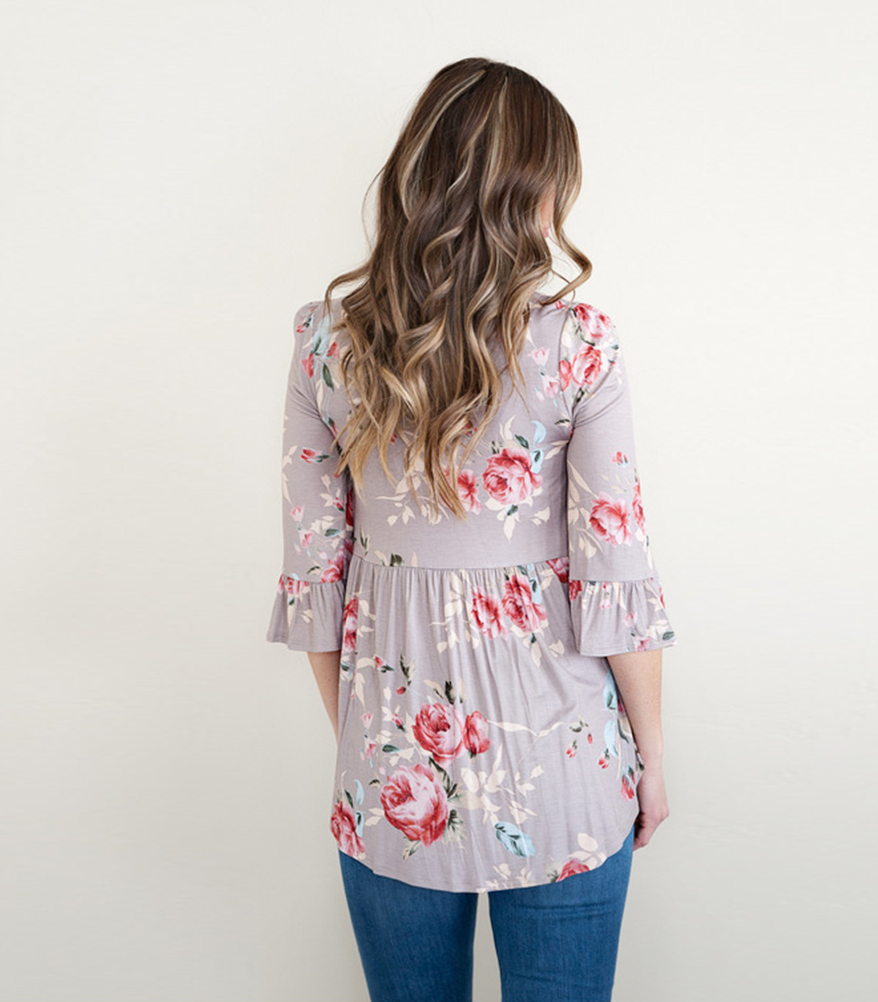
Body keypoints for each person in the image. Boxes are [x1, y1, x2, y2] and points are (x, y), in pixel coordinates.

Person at [265, 56, 678, 1002]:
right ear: (536, 192)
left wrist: (368, 739)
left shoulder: (324, 343)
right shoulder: (580, 342)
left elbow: (315, 579)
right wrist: (652, 758)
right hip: (566, 767)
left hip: (390, 771)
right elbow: (615, 571)